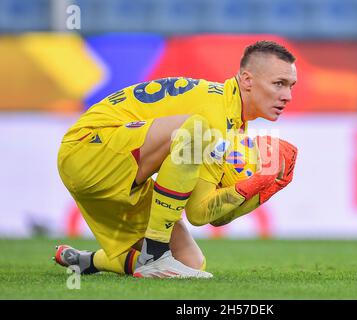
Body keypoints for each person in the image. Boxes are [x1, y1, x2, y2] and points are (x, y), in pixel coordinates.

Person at [55, 40, 298, 279]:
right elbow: (199, 210)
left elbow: (202, 213)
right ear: (247, 80)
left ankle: (87, 261)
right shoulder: (215, 112)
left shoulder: (231, 124)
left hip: (119, 177)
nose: (287, 95)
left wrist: (264, 185)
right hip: (86, 149)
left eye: (291, 86)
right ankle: (155, 254)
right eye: (279, 84)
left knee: (191, 263)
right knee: (197, 129)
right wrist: (255, 182)